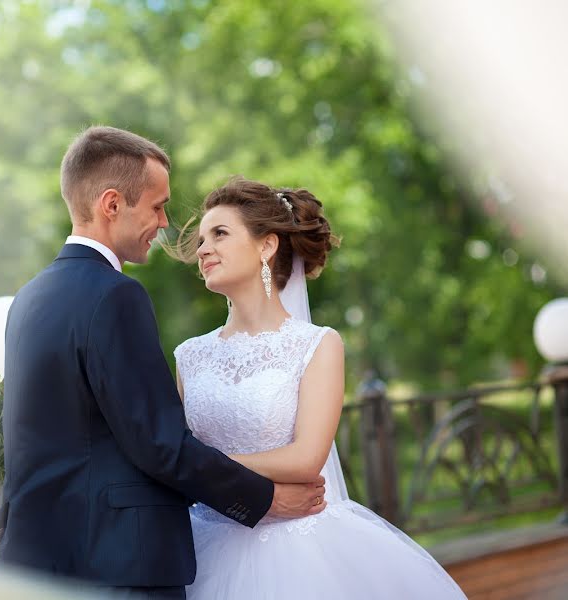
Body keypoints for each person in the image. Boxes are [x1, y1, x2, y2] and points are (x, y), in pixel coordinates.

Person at [0, 127, 326, 599]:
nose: (166, 222)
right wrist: (266, 500)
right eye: (157, 205)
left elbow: (22, 435)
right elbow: (159, 445)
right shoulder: (115, 295)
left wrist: (1, 523)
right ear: (112, 205)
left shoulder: (28, 299)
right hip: (120, 566)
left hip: (41, 565)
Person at [170, 176, 467, 599]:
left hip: (298, 554)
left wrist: (198, 463)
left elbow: (306, 459)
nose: (202, 249)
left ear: (266, 246)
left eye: (219, 233)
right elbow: (174, 460)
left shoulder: (317, 345)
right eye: (201, 239)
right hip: (204, 552)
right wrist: (195, 465)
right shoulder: (189, 356)